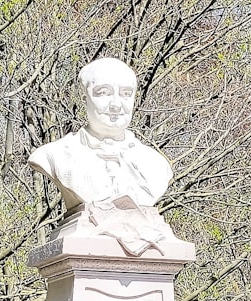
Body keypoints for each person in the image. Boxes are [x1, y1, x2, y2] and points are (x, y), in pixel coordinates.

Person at [27, 57, 177, 255]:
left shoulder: (156, 165)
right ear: (84, 99)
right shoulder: (55, 155)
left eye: (125, 94)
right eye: (103, 93)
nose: (116, 104)